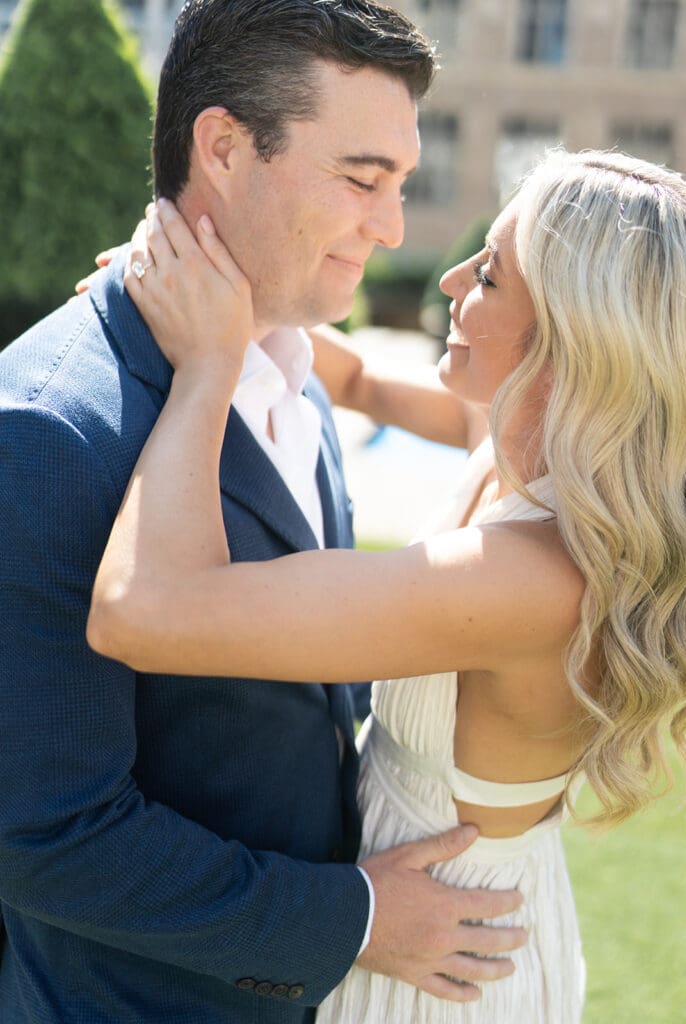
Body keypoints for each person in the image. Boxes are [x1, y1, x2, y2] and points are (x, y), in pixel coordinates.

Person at [87, 148, 686, 1022]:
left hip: (438, 955)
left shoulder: (523, 582)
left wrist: (209, 367)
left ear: (572, 343)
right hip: (438, 910)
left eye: (487, 274)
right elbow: (363, 378)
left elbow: (147, 612)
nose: (447, 277)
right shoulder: (534, 449)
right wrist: (234, 291)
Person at [0, 2, 530, 1022]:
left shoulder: (291, 362)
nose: (391, 228)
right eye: (361, 180)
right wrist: (359, 918)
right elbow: (43, 833)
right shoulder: (44, 429)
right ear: (223, 147)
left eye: (402, 186)